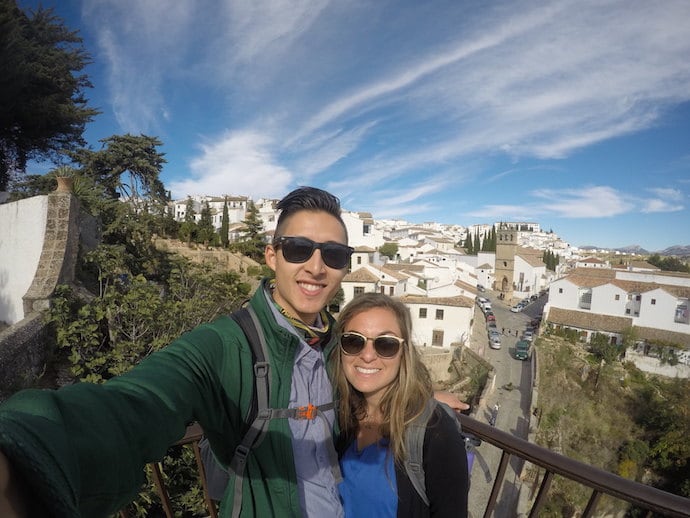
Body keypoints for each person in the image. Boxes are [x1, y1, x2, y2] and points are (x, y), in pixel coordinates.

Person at [0, 186, 467, 517]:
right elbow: (139, 402)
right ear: (271, 255)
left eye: (334, 255)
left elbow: (372, 371)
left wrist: (418, 400)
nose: (316, 266)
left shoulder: (337, 344)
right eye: (299, 249)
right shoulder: (225, 344)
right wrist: (26, 454)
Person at [332, 293, 469, 518]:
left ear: (404, 353)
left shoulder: (436, 433)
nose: (367, 356)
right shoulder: (339, 411)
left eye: (385, 345)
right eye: (353, 341)